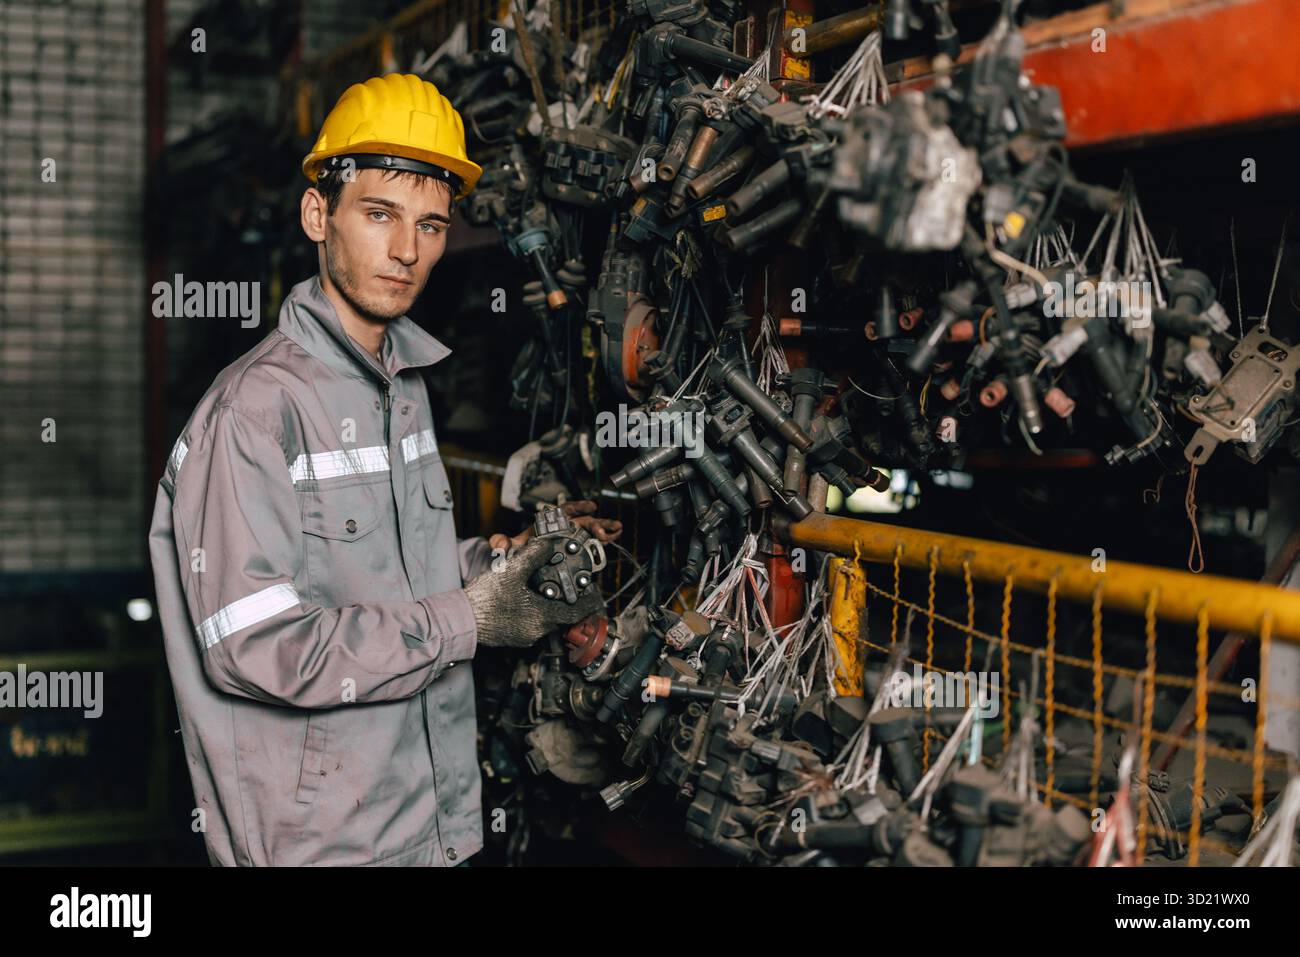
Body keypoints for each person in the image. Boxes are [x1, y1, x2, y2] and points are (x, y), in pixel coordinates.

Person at [148, 74, 619, 866]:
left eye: (432, 225)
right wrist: (471, 617)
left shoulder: (403, 388)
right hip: (323, 848)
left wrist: (497, 565)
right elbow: (259, 646)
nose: (408, 250)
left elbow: (380, 574)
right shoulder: (254, 414)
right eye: (379, 215)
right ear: (316, 215)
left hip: (426, 826)